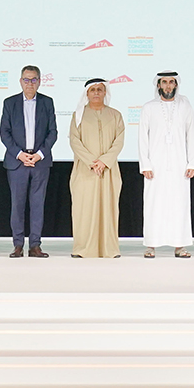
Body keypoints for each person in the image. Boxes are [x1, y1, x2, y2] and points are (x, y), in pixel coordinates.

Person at [137, 71, 194, 258]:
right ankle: (151, 245)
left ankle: (180, 246)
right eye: (164, 82)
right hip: (155, 165)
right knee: (154, 204)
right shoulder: (149, 107)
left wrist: (191, 163)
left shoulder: (185, 106)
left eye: (171, 82)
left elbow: (191, 135)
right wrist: (145, 164)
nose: (168, 86)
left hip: (180, 164)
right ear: (158, 85)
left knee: (179, 204)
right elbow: (142, 137)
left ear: (176, 84)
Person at [0, 65, 57, 258]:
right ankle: (18, 245)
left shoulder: (47, 102)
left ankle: (35, 245)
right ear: (20, 81)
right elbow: (4, 132)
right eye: (26, 79)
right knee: (17, 205)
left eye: (33, 79)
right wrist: (19, 154)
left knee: (37, 205)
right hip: (17, 162)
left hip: (40, 161)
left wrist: (39, 154)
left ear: (39, 81)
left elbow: (52, 132)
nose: (30, 83)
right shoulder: (10, 103)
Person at [69, 78, 125, 258]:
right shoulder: (78, 115)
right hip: (85, 170)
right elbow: (74, 141)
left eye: (99, 89)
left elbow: (119, 141)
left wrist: (104, 161)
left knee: (108, 210)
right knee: (84, 210)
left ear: (105, 92)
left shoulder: (115, 115)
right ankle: (83, 249)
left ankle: (109, 249)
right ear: (87, 93)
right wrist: (92, 162)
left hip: (108, 170)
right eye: (92, 90)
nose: (96, 93)